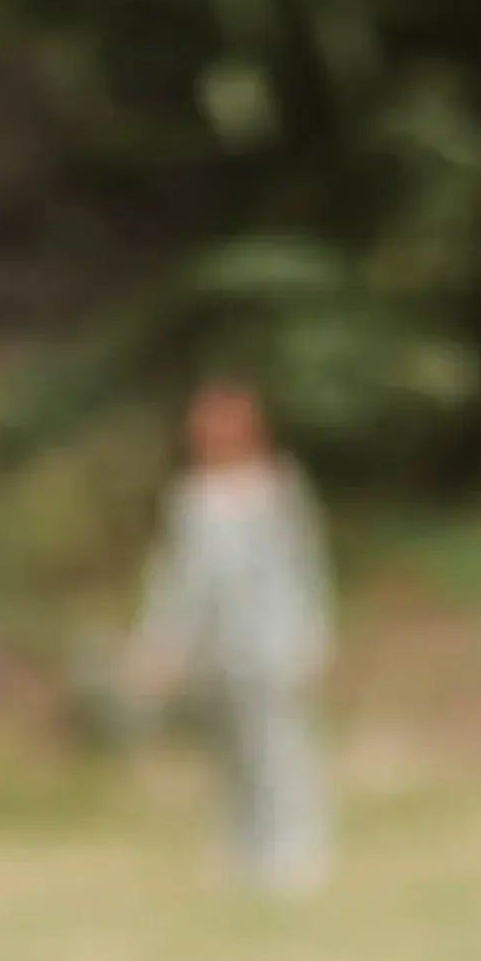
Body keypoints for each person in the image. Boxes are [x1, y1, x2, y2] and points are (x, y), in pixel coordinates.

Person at [128, 380, 334, 892]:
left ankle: (296, 855)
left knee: (279, 751)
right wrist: (162, 640)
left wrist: (311, 637)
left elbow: (302, 569)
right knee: (231, 757)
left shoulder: (277, 489)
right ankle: (243, 854)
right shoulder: (192, 498)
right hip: (214, 652)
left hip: (270, 645)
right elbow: (178, 581)